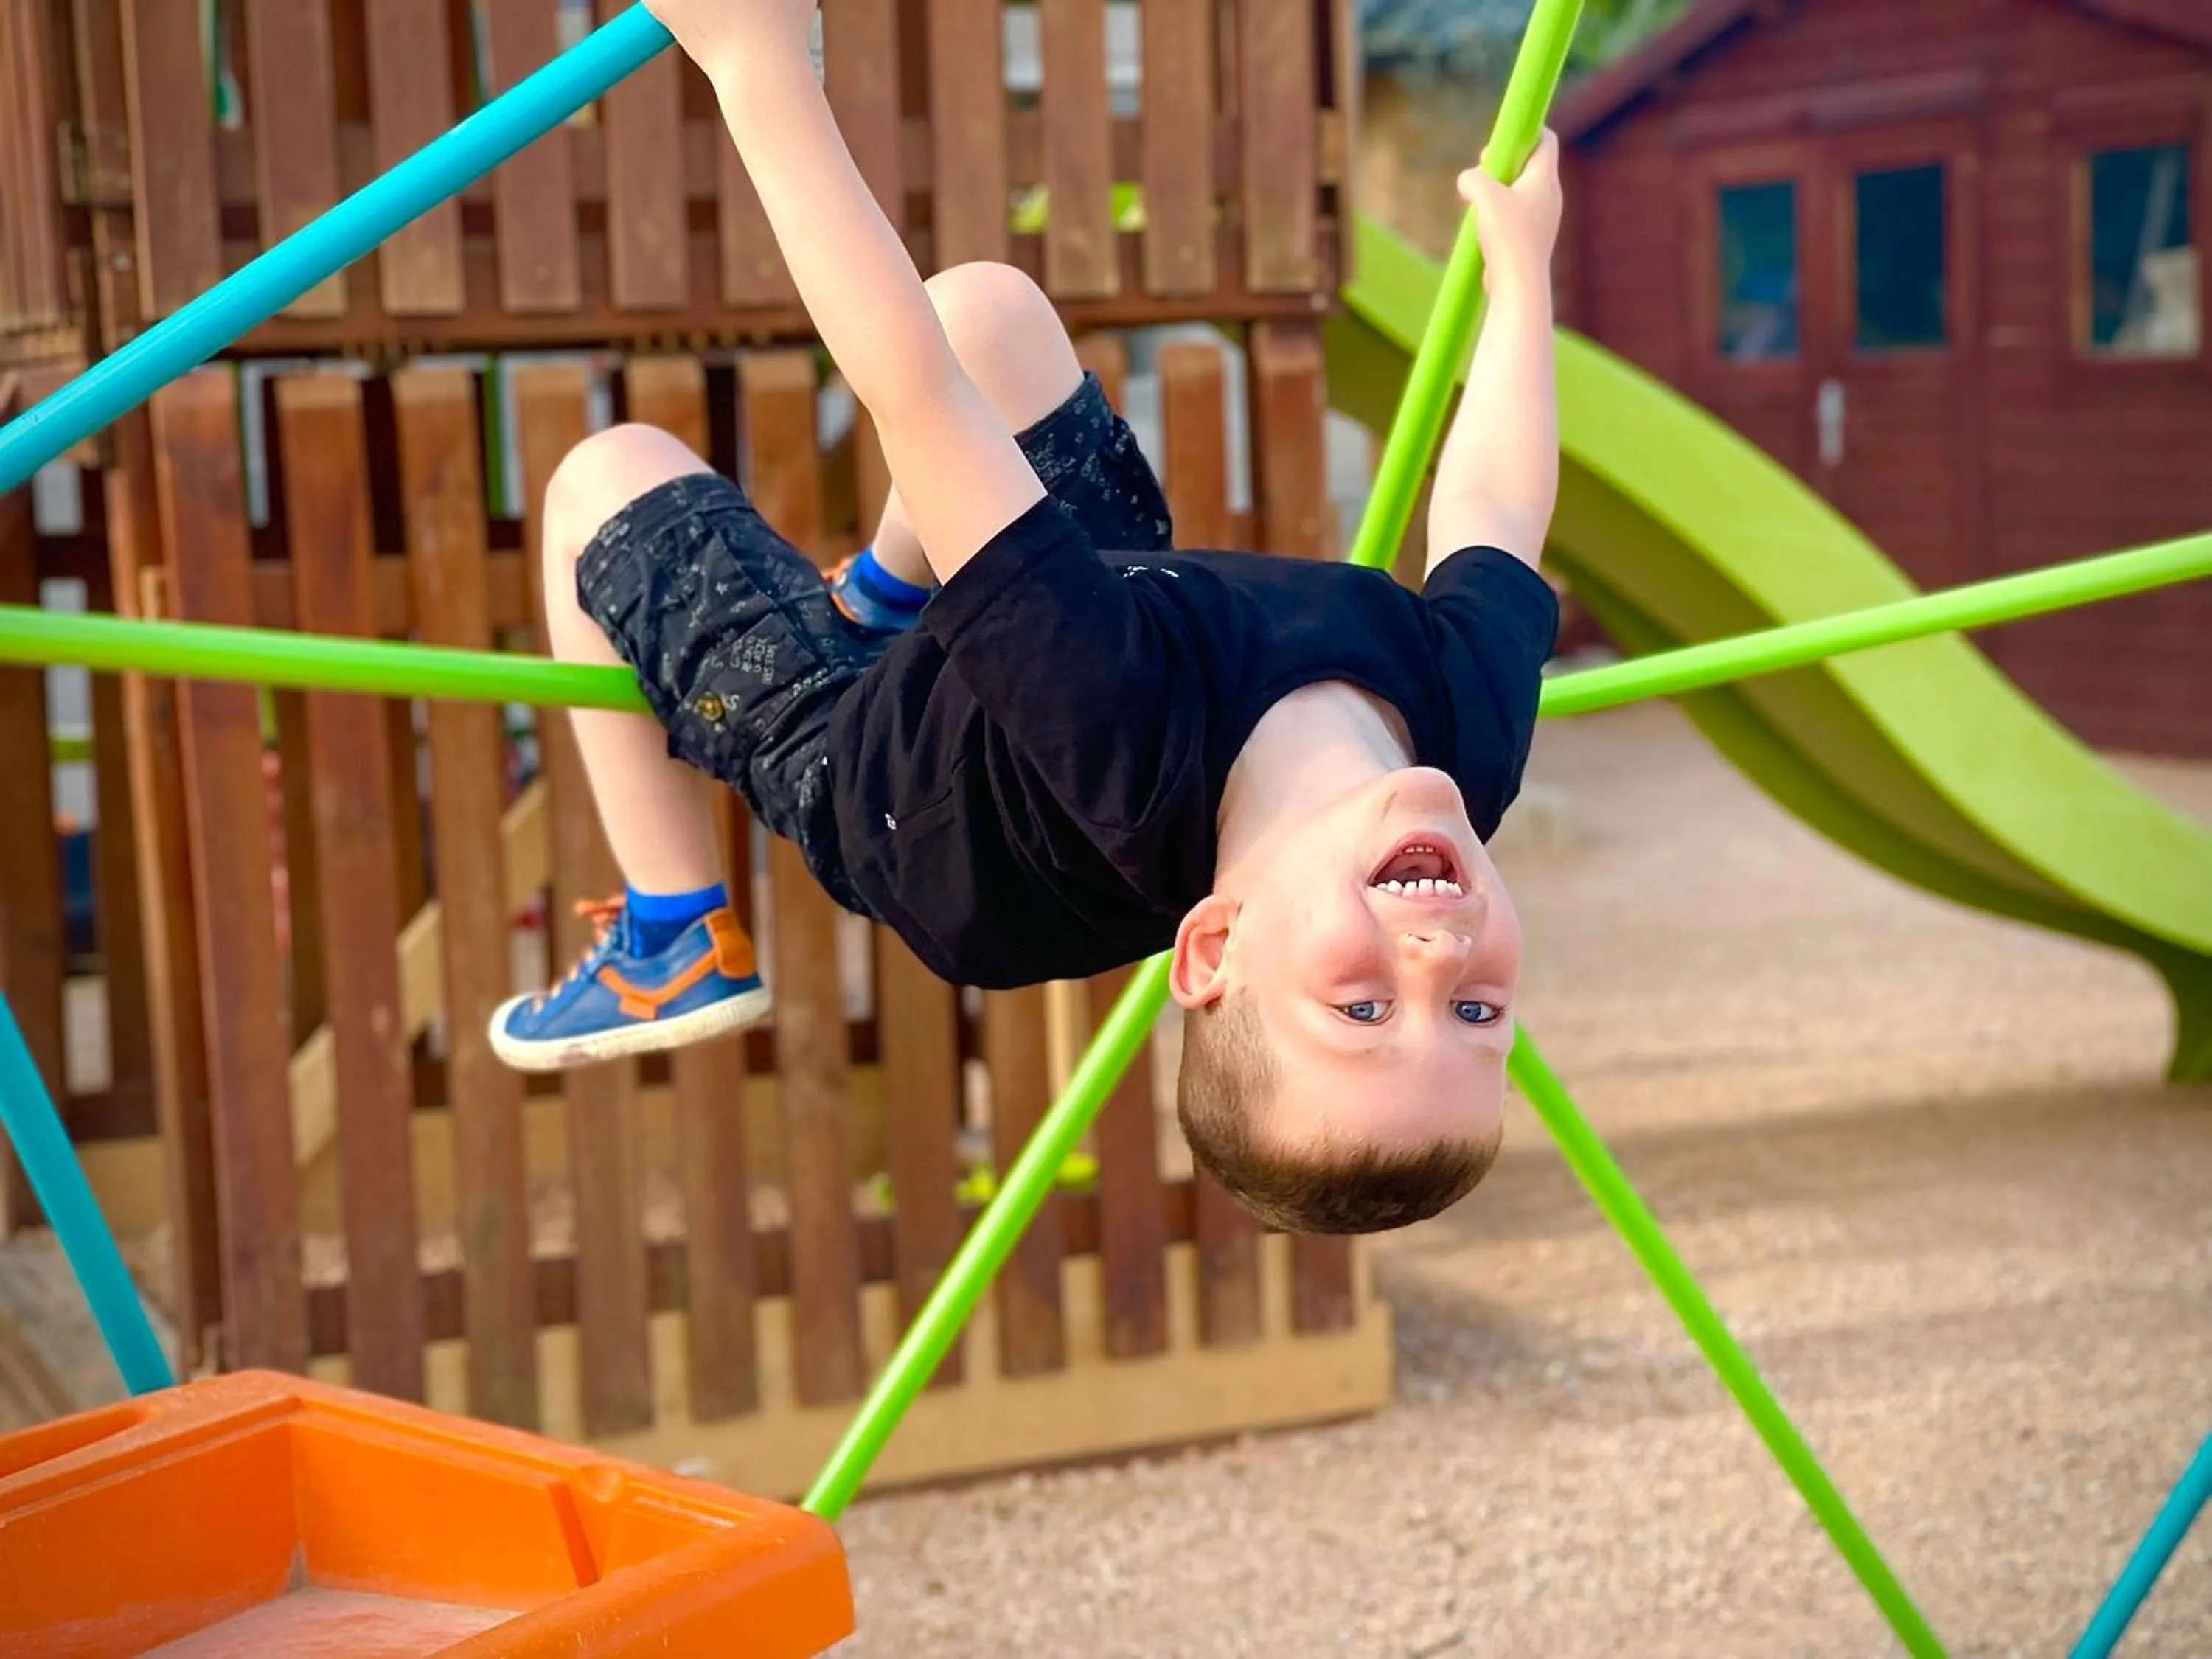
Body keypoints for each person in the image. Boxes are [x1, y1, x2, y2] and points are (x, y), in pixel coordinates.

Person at [491, 0, 1563, 1236]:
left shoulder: (1117, 719)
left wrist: (754, 67)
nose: (1436, 962)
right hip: (1098, 603)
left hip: (875, 769)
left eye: (1363, 1008)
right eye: (1478, 1015)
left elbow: (912, 396)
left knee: (600, 482)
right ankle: (897, 595)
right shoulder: (1465, 741)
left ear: (1212, 946)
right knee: (989, 315)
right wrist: (1523, 269)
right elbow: (1494, 503)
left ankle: (673, 931)